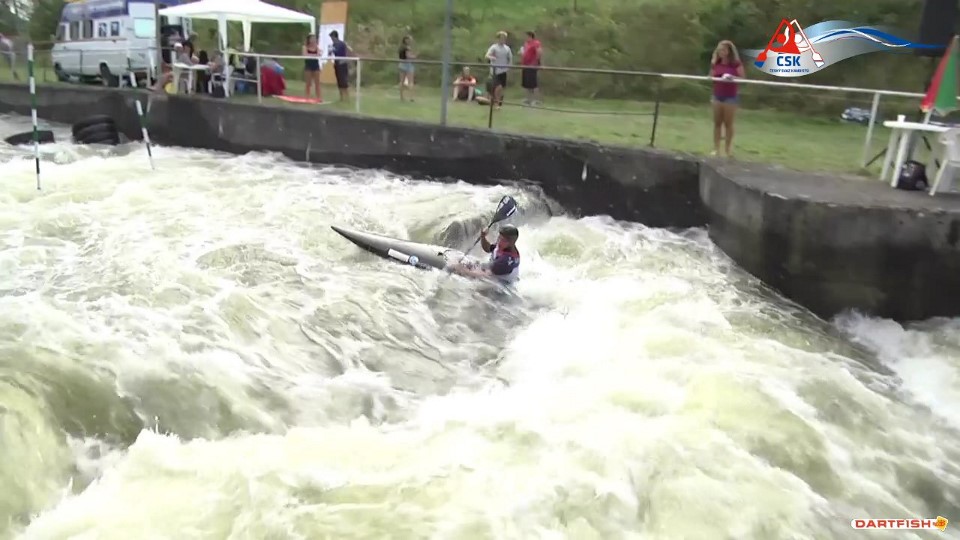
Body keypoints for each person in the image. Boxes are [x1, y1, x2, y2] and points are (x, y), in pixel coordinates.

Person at [710, 40, 745, 158]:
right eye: (719, 50)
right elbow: (711, 77)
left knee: (728, 124)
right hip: (717, 95)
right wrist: (712, 70)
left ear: (729, 51)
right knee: (717, 123)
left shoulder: (736, 63)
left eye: (724, 50)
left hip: (730, 97)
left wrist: (731, 77)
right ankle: (716, 149)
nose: (721, 52)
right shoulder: (716, 63)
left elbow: (743, 78)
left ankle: (727, 149)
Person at [451, 225, 520, 283]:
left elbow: (485, 276)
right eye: (499, 237)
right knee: (471, 265)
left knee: (465, 276)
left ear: (512, 242)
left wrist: (463, 270)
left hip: (500, 284)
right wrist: (483, 237)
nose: (499, 241)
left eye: (503, 240)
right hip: (493, 271)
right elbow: (488, 248)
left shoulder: (505, 260)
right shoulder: (504, 246)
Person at [485, 31, 513, 110]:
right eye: (501, 38)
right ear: (498, 39)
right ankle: (496, 104)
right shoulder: (494, 47)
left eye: (504, 38)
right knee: (498, 87)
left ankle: (496, 101)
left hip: (503, 71)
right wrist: (492, 57)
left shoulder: (507, 48)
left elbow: (510, 58)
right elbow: (487, 55)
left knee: (501, 88)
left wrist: (509, 66)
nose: (503, 40)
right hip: (495, 70)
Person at [328, 30, 353, 101]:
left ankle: (347, 97)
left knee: (344, 81)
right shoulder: (333, 45)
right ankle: (341, 97)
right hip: (337, 63)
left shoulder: (341, 44)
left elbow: (341, 51)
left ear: (335, 37)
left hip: (342, 63)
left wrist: (349, 60)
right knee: (339, 80)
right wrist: (330, 51)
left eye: (332, 37)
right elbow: (330, 54)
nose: (331, 39)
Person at [520, 31, 542, 105]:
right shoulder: (526, 44)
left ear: (530, 36)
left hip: (532, 66)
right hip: (525, 66)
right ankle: (528, 99)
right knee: (526, 83)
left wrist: (536, 62)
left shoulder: (536, 43)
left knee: (533, 84)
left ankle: (535, 100)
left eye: (526, 36)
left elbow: (539, 52)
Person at [303, 34, 322, 101]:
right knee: (308, 83)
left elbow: (319, 55)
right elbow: (305, 55)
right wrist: (314, 55)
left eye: (314, 38)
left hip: (316, 66)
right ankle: (307, 97)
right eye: (312, 38)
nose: (313, 40)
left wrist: (313, 55)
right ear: (309, 39)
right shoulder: (305, 47)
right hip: (308, 66)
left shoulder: (317, 47)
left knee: (317, 83)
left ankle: (318, 97)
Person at [398, 35, 415, 101]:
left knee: (401, 81)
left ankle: (401, 97)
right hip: (407, 64)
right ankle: (411, 97)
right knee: (410, 81)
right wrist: (414, 57)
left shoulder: (401, 47)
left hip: (401, 64)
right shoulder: (407, 48)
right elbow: (408, 56)